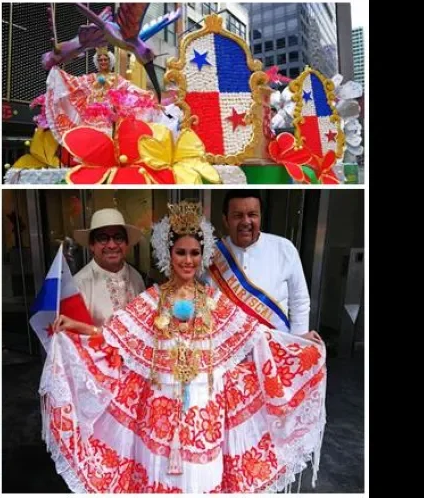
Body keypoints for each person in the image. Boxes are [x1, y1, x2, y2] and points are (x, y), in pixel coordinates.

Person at [46, 201, 326, 493]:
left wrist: (298, 342)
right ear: (169, 255)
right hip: (159, 410)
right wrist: (77, 328)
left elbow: (256, 336)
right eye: (181, 252)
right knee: (163, 480)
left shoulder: (214, 301)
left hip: (205, 408)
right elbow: (112, 337)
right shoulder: (151, 298)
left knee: (201, 478)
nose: (188, 260)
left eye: (194, 253)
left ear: (203, 256)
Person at [209, 191, 319, 342]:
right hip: (227, 351)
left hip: (275, 345)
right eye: (238, 215)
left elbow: (299, 300)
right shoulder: (211, 255)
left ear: (260, 217)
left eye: (252, 214)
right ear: (225, 220)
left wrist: (298, 339)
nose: (246, 221)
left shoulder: (284, 248)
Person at [72, 208, 146, 327]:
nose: (112, 245)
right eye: (103, 238)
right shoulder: (79, 284)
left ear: (126, 243)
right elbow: (76, 337)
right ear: (92, 245)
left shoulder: (136, 278)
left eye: (118, 237)